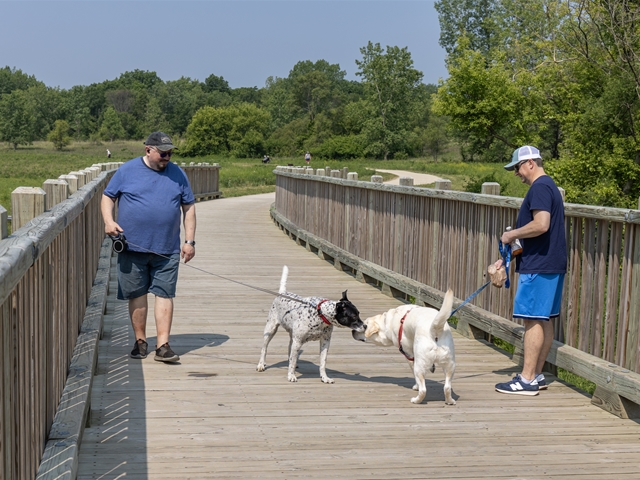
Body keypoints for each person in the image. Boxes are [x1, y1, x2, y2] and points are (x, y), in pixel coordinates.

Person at [101, 131, 196, 363]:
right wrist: (108, 221)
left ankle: (163, 345)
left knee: (164, 294)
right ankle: (140, 341)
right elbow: (107, 197)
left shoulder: (178, 174)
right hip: (132, 247)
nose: (167, 157)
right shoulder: (127, 170)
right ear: (148, 150)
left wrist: (189, 241)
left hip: (168, 247)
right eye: (163, 153)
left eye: (170, 153)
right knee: (137, 294)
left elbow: (189, 208)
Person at [494, 145, 566, 396]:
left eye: (517, 168)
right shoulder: (550, 187)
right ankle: (535, 375)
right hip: (551, 262)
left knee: (532, 319)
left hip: (539, 264)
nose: (517, 174)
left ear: (530, 164)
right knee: (543, 319)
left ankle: (525, 380)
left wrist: (511, 234)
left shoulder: (539, 188)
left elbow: (541, 224)